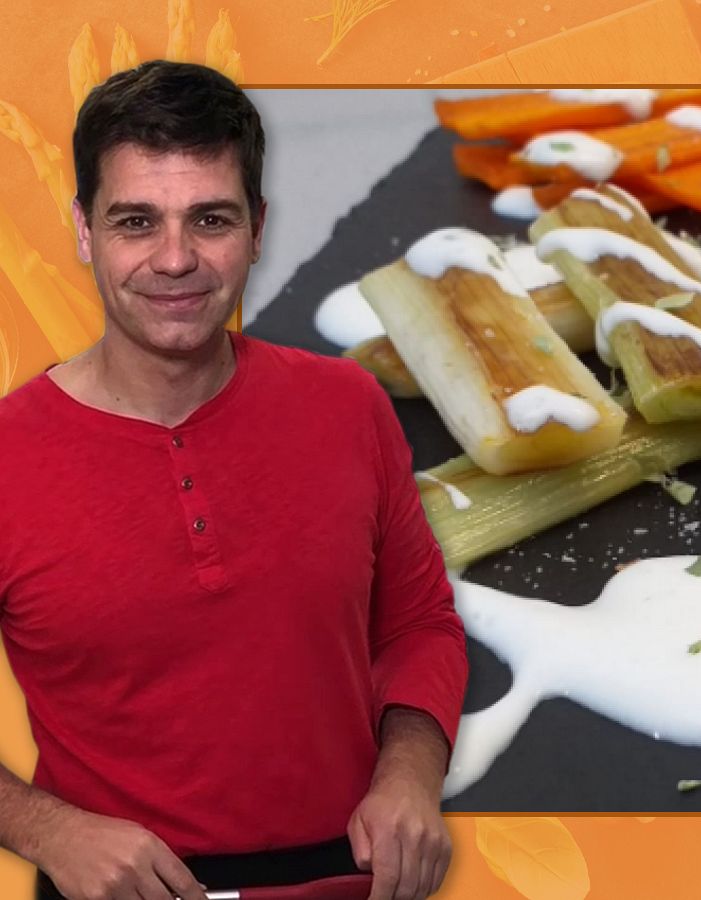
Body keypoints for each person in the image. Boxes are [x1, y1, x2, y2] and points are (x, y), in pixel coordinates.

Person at [0, 61, 467, 900]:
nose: (175, 259)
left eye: (209, 219)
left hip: (353, 881)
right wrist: (51, 829)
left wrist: (410, 773)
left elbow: (419, 622)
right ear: (83, 231)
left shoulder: (348, 403)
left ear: (257, 227)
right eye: (136, 221)